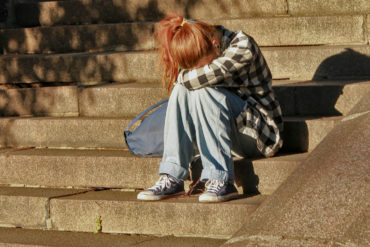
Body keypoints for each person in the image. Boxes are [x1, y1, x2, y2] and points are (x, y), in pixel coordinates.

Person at [137, 13, 283, 202]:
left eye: (201, 65)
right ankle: (172, 175)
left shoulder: (242, 45)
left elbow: (195, 78)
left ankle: (221, 180)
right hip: (227, 135)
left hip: (260, 135)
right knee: (184, 90)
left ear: (215, 43)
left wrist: (183, 77)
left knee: (200, 88)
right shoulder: (205, 48)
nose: (197, 70)